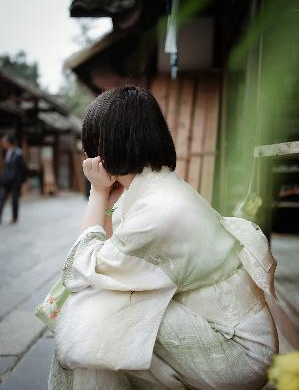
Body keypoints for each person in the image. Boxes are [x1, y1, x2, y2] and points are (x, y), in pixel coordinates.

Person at [49, 85, 278, 390]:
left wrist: (98, 191)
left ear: (105, 146)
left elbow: (83, 272)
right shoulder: (157, 188)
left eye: (90, 144)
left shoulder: (159, 208)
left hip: (240, 352)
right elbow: (111, 255)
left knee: (91, 313)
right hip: (226, 330)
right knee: (106, 314)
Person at [0, 132, 26, 224]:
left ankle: (14, 218)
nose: (3, 144)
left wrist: (22, 182)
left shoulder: (18, 153)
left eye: (4, 142)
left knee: (14, 200)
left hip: (15, 180)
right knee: (1, 198)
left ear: (9, 142)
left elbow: (23, 168)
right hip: (6, 180)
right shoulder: (5, 152)